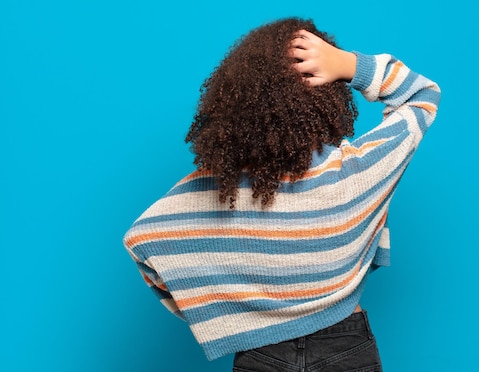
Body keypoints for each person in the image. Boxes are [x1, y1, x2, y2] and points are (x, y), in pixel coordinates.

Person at [123, 17, 440, 371]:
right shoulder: (356, 171)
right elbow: (422, 95)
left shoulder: (218, 188)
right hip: (346, 345)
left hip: (260, 352)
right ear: (328, 99)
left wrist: (219, 312)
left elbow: (142, 241)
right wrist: (348, 65)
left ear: (238, 104)